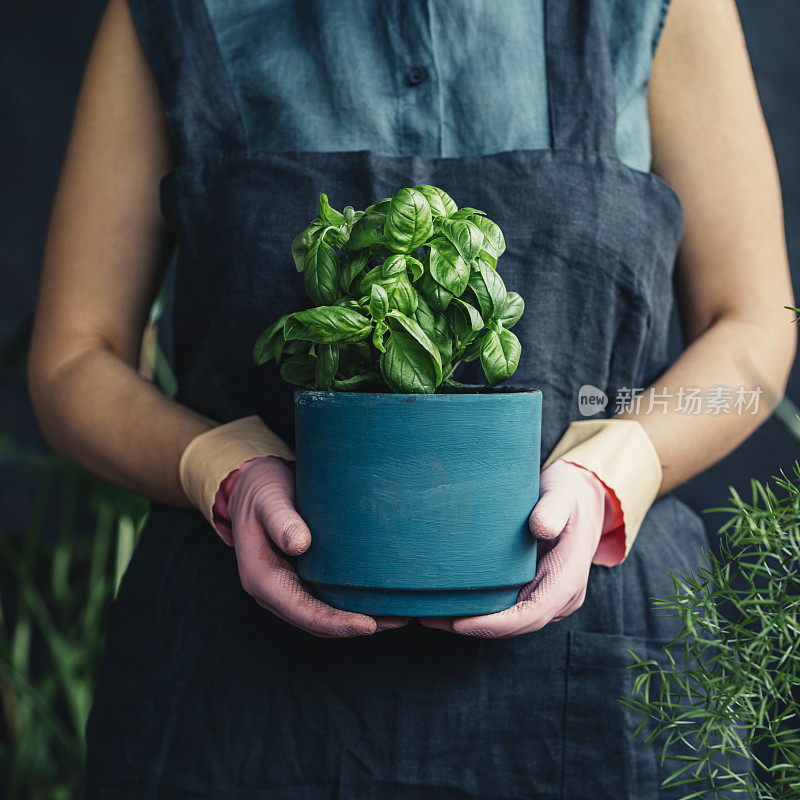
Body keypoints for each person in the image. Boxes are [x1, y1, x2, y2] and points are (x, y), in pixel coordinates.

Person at [28, 0, 795, 797]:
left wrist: (617, 470)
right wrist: (219, 467)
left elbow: (751, 326)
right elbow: (76, 356)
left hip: (598, 681)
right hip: (235, 689)